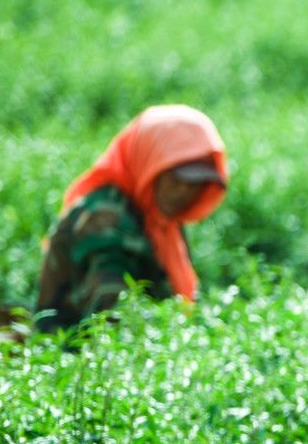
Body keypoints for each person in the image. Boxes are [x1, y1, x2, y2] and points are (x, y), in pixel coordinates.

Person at [35, 104, 228, 333]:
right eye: (175, 180)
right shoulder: (106, 218)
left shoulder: (156, 217)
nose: (184, 193)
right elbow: (112, 320)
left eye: (195, 185)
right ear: (149, 165)